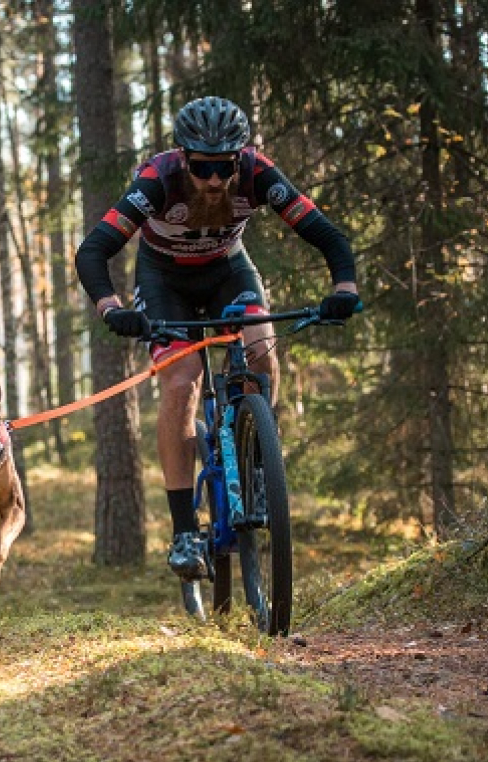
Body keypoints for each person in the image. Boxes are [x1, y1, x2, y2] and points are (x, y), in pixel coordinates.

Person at [75, 95, 359, 580]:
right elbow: (94, 249)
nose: (213, 180)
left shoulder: (256, 174)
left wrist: (344, 289)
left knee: (260, 346)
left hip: (229, 268)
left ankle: (257, 456)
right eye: (203, 167)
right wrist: (112, 307)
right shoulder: (157, 180)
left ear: (238, 159)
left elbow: (326, 234)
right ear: (184, 158)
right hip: (164, 280)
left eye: (223, 167)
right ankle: (185, 531)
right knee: (182, 381)